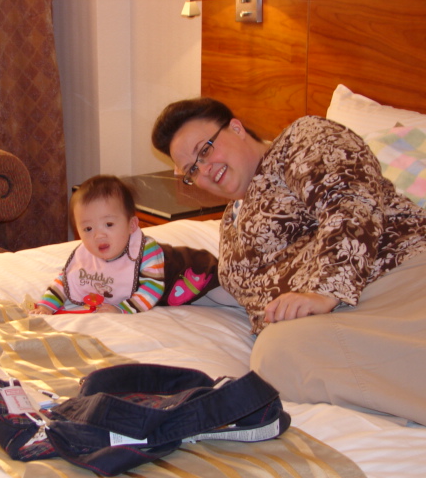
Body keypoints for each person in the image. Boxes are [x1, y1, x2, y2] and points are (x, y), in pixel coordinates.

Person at [151, 97, 426, 425]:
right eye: (192, 170)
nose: (204, 169)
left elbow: (349, 202)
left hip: (394, 275)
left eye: (205, 150)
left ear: (236, 128)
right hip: (332, 320)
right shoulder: (229, 222)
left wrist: (324, 291)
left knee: (277, 354)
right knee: (278, 356)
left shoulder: (301, 139)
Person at [31, 175, 219, 315]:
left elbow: (152, 289)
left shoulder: (145, 251)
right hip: (175, 295)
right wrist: (46, 306)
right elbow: (66, 281)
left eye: (109, 224)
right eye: (88, 229)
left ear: (132, 225)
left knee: (224, 292)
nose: (98, 235)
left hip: (193, 272)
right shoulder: (86, 254)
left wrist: (122, 309)